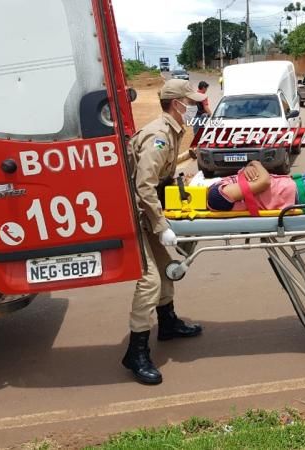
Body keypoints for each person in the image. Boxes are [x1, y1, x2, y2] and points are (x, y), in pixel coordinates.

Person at [124, 79, 205, 385]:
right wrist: (162, 226)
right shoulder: (160, 135)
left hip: (146, 212)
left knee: (163, 269)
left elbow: (158, 178)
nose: (193, 107)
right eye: (190, 103)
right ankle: (136, 352)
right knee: (150, 281)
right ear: (177, 104)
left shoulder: (171, 130)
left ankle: (167, 324)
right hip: (136, 215)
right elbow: (143, 186)